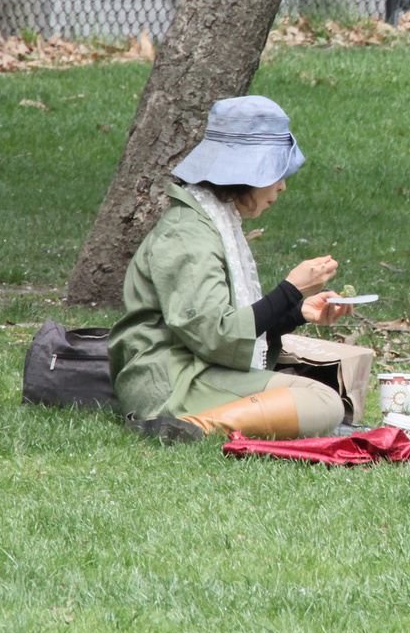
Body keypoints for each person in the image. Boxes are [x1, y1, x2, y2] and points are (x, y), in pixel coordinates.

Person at [110, 96, 353, 443]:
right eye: (275, 172)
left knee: (322, 400)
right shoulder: (187, 233)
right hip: (172, 382)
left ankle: (203, 423)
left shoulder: (212, 221)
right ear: (245, 172)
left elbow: (220, 330)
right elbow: (216, 336)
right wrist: (290, 290)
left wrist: (295, 312)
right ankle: (194, 428)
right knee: (324, 402)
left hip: (198, 369)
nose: (283, 185)